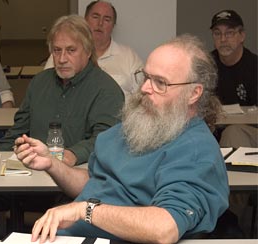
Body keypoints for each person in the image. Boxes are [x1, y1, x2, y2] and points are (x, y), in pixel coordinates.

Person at [15, 34, 229, 243]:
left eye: (161, 83)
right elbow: (95, 183)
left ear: (194, 93)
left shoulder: (194, 149)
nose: (145, 88)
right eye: (146, 77)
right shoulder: (141, 125)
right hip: (73, 236)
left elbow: (165, 227)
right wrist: (52, 164)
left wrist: (85, 210)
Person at [0, 15, 124, 240]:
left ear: (87, 51)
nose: (62, 58)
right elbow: (19, 129)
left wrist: (71, 155)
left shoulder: (107, 89)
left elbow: (104, 139)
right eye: (56, 51)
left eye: (70, 50)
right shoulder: (40, 82)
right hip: (29, 178)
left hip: (73, 186)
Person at [44, 0, 143, 96]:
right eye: (95, 17)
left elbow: (143, 95)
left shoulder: (129, 56)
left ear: (113, 26)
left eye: (107, 19)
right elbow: (46, 88)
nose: (100, 23)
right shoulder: (62, 55)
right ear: (85, 20)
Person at [210, 9, 257, 148]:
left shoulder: (254, 66)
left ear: (242, 35)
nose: (223, 39)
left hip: (248, 133)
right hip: (214, 132)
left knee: (233, 133)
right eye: (217, 33)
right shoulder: (206, 66)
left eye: (229, 33)